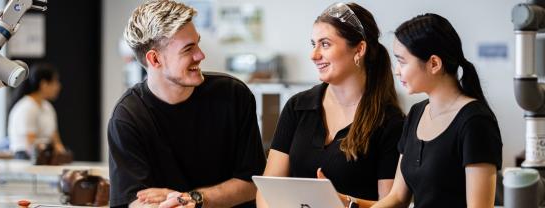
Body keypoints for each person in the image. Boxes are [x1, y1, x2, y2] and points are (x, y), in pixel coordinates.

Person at [107, 0, 266, 207]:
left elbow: (252, 183)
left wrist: (192, 199)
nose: (200, 55)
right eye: (188, 49)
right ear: (155, 60)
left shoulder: (233, 96)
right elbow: (130, 202)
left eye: (197, 43)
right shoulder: (128, 118)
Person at [256, 2, 404, 208]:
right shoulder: (297, 107)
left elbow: (392, 203)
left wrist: (343, 202)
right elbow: (267, 190)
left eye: (325, 44)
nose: (314, 55)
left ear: (359, 49)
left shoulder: (389, 122)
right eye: (313, 44)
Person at [372, 13, 502, 208]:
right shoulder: (416, 113)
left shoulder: (476, 122)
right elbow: (398, 197)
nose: (397, 70)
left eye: (402, 61)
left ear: (434, 64)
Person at [8, 63, 65, 160]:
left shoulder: (48, 107)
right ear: (44, 84)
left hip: (45, 156)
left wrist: (62, 154)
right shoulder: (26, 108)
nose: (59, 86)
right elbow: (30, 144)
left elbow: (55, 139)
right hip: (25, 157)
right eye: (55, 82)